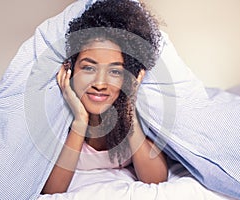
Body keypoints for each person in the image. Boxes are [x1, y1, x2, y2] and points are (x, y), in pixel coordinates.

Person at [41, 0, 168, 194]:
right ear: (70, 69)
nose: (100, 84)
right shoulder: (59, 121)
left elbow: (156, 179)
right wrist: (80, 120)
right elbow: (52, 191)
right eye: (89, 68)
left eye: (115, 71)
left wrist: (129, 107)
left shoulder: (127, 115)